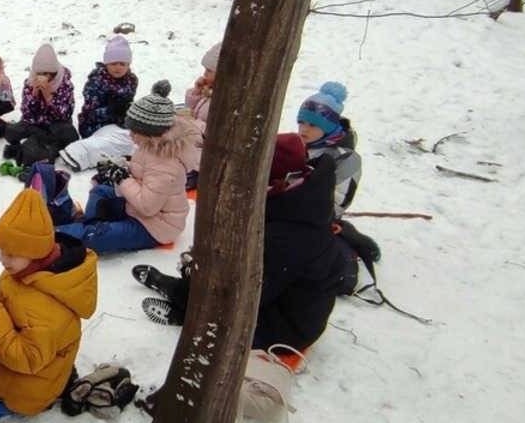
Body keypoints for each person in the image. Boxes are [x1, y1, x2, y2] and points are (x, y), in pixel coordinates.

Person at [133, 133, 350, 353]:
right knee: (212, 279)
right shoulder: (298, 199)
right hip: (278, 300)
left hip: (283, 329)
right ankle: (184, 292)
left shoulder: (288, 234)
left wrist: (204, 271)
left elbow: (248, 292)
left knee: (219, 300)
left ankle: (189, 312)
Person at [0, 189, 97, 416]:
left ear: (35, 252)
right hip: (18, 350)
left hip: (31, 383)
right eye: (0, 251)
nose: (1, 259)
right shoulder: (25, 268)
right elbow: (13, 304)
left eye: (10, 254)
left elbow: (28, 360)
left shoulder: (49, 306)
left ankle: (1, 395)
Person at [57, 81, 201, 254]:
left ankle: (61, 236)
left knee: (96, 236)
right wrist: (122, 166)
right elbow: (144, 173)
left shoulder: (166, 164)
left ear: (150, 132)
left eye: (134, 131)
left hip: (154, 226)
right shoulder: (150, 146)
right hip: (136, 209)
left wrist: (122, 177)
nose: (130, 135)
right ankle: (91, 223)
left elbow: (147, 207)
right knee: (101, 191)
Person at [60, 35, 139, 172]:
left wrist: (129, 111)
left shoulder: (131, 80)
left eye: (122, 64)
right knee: (121, 141)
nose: (118, 68)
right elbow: (90, 113)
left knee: (138, 138)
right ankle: (79, 152)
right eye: (113, 63)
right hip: (94, 126)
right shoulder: (96, 81)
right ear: (106, 63)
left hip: (120, 125)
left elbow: (128, 105)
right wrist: (111, 110)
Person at [2, 43, 79, 166]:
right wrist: (34, 96)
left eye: (48, 74)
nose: (44, 77)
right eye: (41, 73)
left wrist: (49, 97)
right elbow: (26, 114)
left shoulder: (64, 84)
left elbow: (65, 114)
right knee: (11, 131)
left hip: (57, 125)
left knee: (70, 135)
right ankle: (40, 143)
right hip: (36, 124)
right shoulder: (30, 83)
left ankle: (31, 147)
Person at [297, 81, 362, 217]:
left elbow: (336, 204)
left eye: (313, 124)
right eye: (301, 122)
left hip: (314, 221)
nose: (304, 129)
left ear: (328, 128)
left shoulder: (347, 159)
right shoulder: (297, 145)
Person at [184, 43, 220, 125]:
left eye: (209, 71)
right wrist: (197, 92)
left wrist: (191, 125)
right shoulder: (210, 90)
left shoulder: (223, 100)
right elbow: (191, 108)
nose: (204, 74)